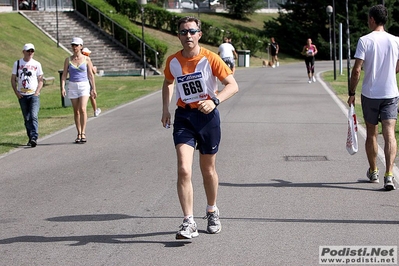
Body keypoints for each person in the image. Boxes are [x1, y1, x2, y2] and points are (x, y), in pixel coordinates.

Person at [161, 16, 239, 239]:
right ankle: (188, 221)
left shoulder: (210, 58)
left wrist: (214, 100)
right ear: (179, 36)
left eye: (192, 31)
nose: (188, 36)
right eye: (184, 32)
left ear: (199, 35)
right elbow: (167, 82)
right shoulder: (173, 61)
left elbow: (232, 85)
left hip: (208, 118)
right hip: (184, 116)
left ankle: (212, 210)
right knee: (184, 169)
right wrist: (165, 109)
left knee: (208, 171)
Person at [347, 4, 399, 191]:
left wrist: (352, 93)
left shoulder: (364, 41)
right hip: (391, 93)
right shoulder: (396, 40)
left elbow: (356, 70)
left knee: (371, 133)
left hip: (370, 93)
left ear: (372, 19)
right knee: (390, 134)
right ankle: (389, 174)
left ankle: (374, 170)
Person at [61, 37, 97, 143]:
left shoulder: (86, 59)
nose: (74, 47)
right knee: (76, 111)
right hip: (72, 85)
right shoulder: (68, 60)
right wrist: (62, 87)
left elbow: (90, 75)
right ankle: (78, 133)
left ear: (81, 46)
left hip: (84, 85)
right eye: (73, 45)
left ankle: (83, 133)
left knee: (82, 109)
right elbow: (64, 75)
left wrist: (93, 88)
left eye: (76, 45)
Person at [11, 43, 44, 148]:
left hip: (33, 94)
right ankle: (30, 138)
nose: (30, 53)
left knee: (33, 115)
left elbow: (40, 80)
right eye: (28, 51)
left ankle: (34, 136)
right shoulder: (17, 63)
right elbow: (13, 79)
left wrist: (37, 92)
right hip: (22, 95)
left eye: (32, 51)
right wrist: (16, 92)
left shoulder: (37, 64)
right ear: (23, 52)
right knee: (27, 118)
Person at [82, 47, 101, 117]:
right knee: (91, 96)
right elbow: (93, 72)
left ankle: (93, 110)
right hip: (87, 80)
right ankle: (95, 110)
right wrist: (95, 69)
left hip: (82, 80)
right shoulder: (87, 60)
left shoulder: (80, 59)